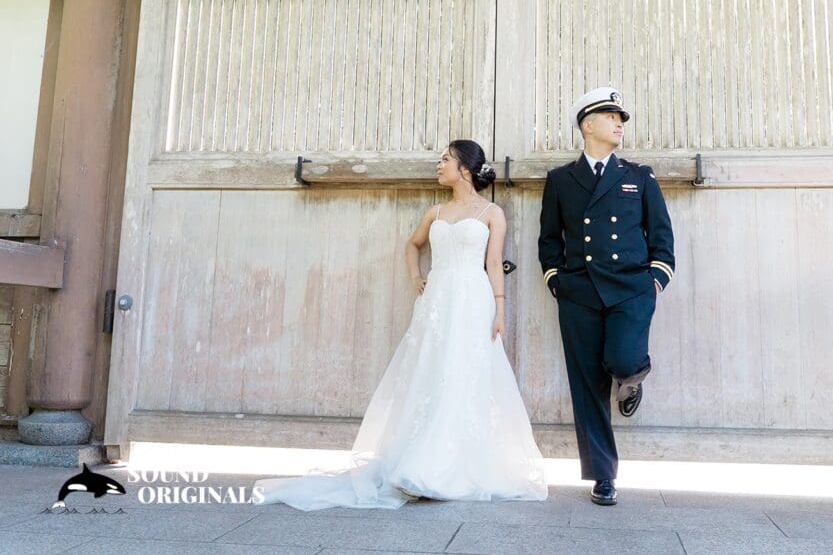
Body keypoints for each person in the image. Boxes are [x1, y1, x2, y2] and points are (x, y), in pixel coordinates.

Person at [256, 140, 547, 510]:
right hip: (437, 300)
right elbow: (412, 245)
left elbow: (493, 263)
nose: (438, 165)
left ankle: (452, 464)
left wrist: (500, 310)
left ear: (465, 170)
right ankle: (419, 459)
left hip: (474, 299)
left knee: (466, 372)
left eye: (445, 160)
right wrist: (417, 276)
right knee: (430, 371)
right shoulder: (435, 211)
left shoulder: (492, 213)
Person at [538, 87, 675, 506]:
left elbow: (662, 236)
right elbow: (549, 239)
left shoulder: (639, 177)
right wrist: (557, 280)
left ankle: (631, 380)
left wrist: (655, 278)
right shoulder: (561, 180)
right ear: (588, 125)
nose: (620, 123)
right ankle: (603, 476)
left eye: (621, 117)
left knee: (623, 359)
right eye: (612, 116)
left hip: (631, 289)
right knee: (587, 385)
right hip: (579, 291)